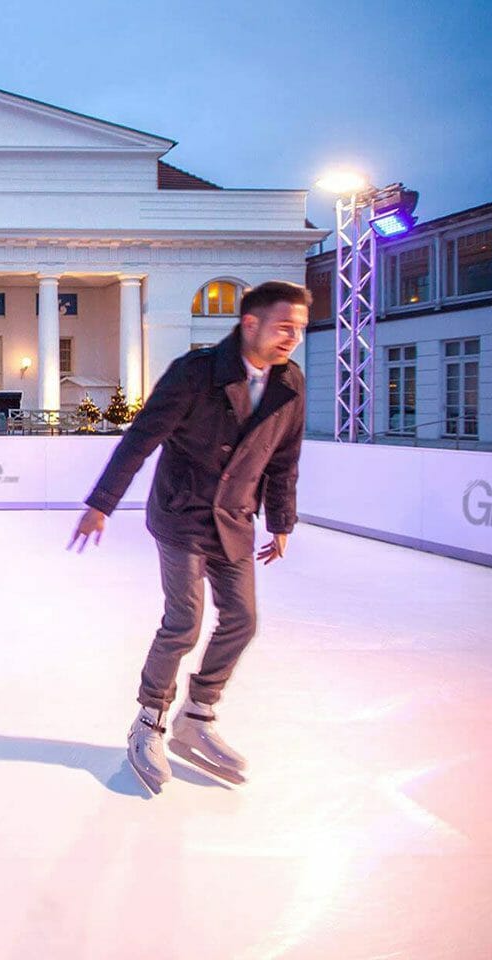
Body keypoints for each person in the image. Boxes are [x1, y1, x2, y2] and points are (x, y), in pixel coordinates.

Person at [70, 280, 308, 794]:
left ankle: (196, 715)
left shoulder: (291, 383)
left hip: (236, 518)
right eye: (285, 326)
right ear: (251, 324)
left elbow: (284, 459)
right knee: (184, 622)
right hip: (181, 513)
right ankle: (149, 720)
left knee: (242, 620)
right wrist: (101, 503)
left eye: (300, 328)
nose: (294, 336)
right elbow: (140, 440)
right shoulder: (195, 374)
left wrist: (282, 522)